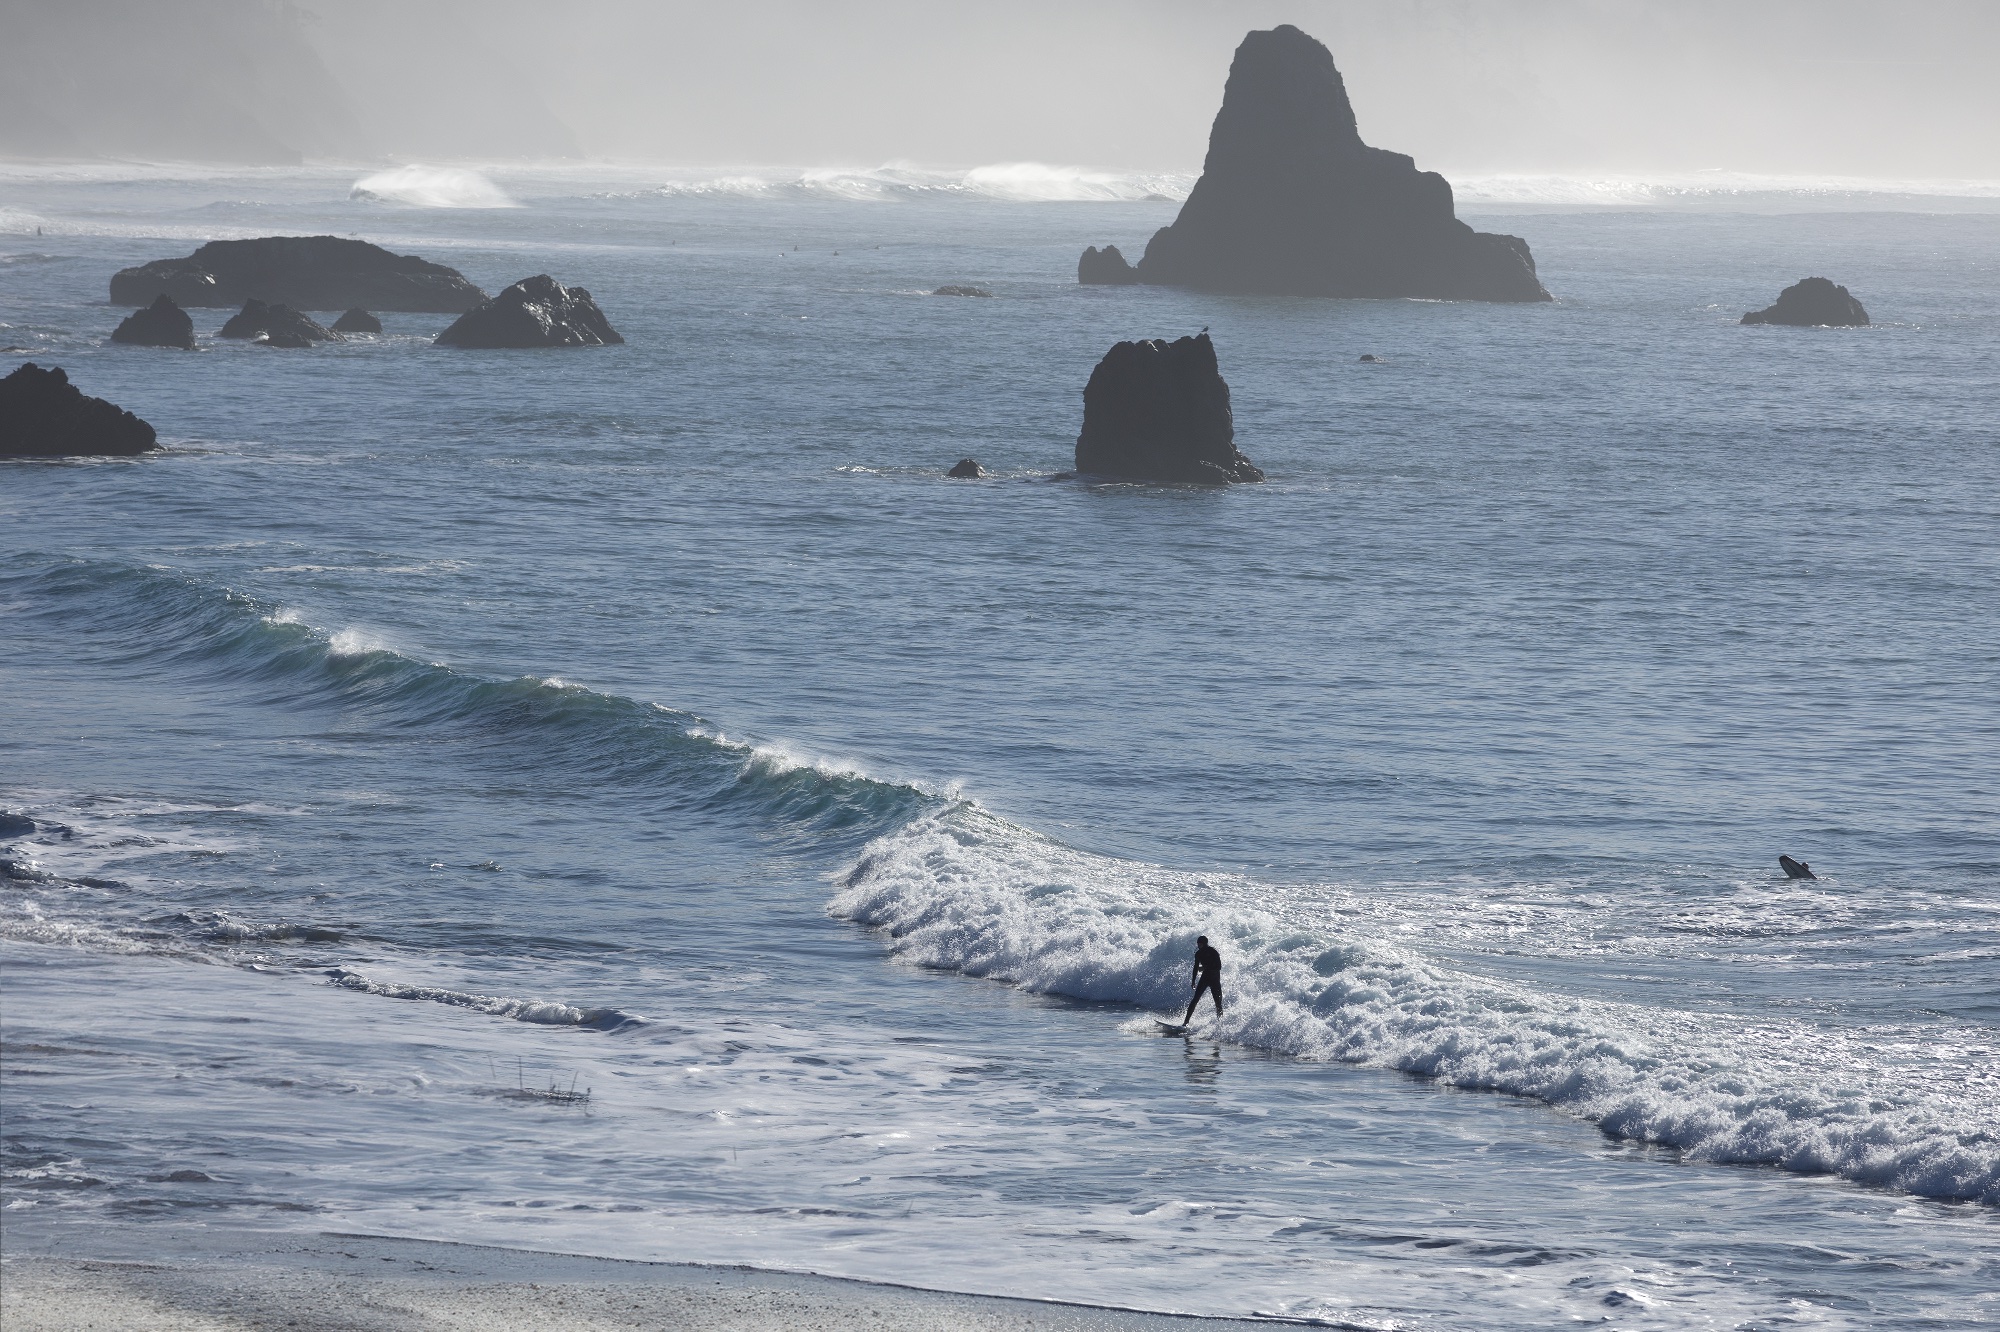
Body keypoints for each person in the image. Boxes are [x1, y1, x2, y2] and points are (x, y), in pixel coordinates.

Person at [1183, 935, 1223, 1024]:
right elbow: (1196, 967)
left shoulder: (1213, 952)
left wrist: (1207, 967)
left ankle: (1220, 1024)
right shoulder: (1198, 953)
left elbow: (1219, 966)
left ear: (1205, 943)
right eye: (1198, 943)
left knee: (1218, 1003)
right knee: (1195, 999)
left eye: (1200, 943)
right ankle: (1185, 1022)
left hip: (1215, 979)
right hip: (1205, 978)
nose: (1198, 945)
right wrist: (1193, 980)